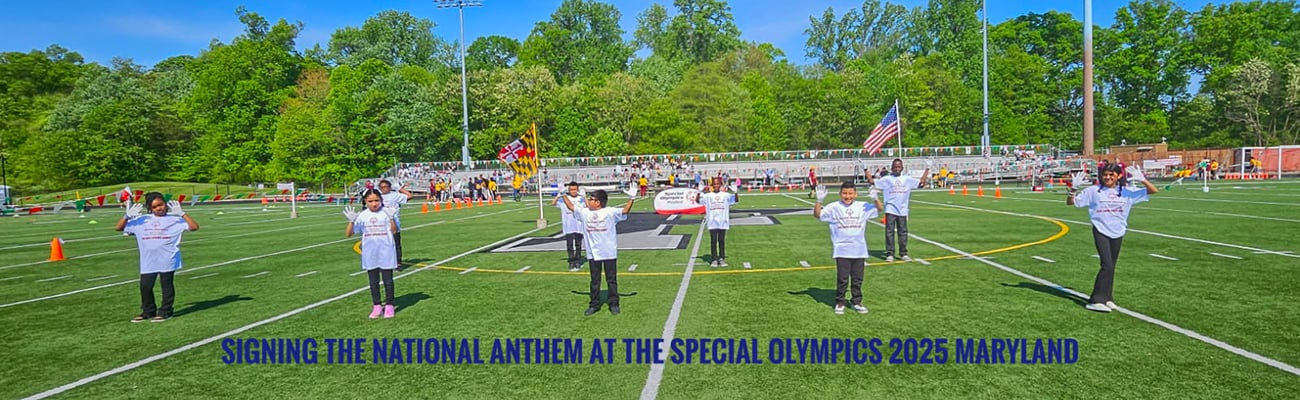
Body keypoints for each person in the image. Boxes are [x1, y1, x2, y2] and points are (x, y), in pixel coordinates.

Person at [1066, 161, 1158, 313]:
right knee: (1106, 265)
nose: (1107, 177)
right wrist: (1073, 189)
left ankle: (1107, 297)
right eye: (1105, 175)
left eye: (1111, 175)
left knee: (1112, 266)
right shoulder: (1093, 191)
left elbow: (1153, 191)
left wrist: (1143, 179)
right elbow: (1071, 203)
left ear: (1119, 176)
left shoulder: (1126, 191)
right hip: (1101, 230)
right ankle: (1096, 300)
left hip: (1119, 231)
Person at [116, 192, 199, 322]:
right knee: (145, 286)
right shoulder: (142, 220)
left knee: (166, 285)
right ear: (150, 208)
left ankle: (166, 311)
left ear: (165, 204)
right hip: (148, 260)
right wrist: (127, 216)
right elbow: (118, 228)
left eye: (161, 205)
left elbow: (194, 227)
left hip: (167, 258)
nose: (159, 208)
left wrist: (182, 214)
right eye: (155, 207)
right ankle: (148, 311)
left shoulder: (175, 219)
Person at [560, 189, 635, 316]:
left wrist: (632, 198)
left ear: (598, 202)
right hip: (593, 253)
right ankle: (594, 304)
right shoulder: (585, 213)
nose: (588, 201)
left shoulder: (609, 212)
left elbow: (625, 211)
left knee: (611, 279)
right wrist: (563, 194)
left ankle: (614, 303)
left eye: (591, 199)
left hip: (609, 251)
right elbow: (571, 207)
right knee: (595, 280)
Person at [813, 182, 883, 314]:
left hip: (859, 249)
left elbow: (879, 209)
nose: (848, 196)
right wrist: (819, 201)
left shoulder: (862, 206)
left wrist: (875, 198)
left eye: (850, 193)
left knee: (857, 278)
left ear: (855, 194)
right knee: (843, 278)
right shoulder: (834, 207)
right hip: (842, 249)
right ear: (840, 194)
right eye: (845, 193)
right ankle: (840, 302)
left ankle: (857, 301)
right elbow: (817, 215)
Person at [345, 189, 400, 319]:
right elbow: (348, 234)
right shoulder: (363, 215)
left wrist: (392, 218)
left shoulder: (387, 213)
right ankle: (376, 305)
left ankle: (389, 305)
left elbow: (394, 231)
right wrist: (351, 221)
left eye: (377, 200)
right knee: (373, 281)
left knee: (388, 281)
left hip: (386, 251)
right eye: (370, 201)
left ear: (381, 200)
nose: (374, 204)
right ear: (365, 201)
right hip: (370, 253)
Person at [866, 159, 930, 262]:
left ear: (902, 168)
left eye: (899, 167)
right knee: (889, 232)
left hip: (903, 210)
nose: (897, 169)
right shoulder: (887, 179)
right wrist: (865, 169)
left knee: (903, 232)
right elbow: (871, 181)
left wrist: (927, 168)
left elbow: (921, 183)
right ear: (891, 168)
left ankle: (903, 253)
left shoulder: (907, 179)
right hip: (891, 209)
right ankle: (890, 254)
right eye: (895, 167)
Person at [697, 177, 738, 267]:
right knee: (713, 241)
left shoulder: (725, 195)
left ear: (720, 185)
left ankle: (721, 258)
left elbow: (735, 200)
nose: (716, 185)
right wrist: (699, 192)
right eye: (714, 184)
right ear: (712, 185)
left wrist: (735, 192)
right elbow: (698, 201)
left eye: (718, 184)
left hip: (723, 221)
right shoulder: (708, 196)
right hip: (712, 222)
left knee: (721, 240)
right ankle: (714, 259)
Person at [552, 181, 587, 272]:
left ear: (577, 189)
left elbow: (588, 206)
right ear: (568, 190)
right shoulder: (564, 198)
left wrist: (584, 197)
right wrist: (558, 195)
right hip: (568, 225)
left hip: (579, 225)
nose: (573, 191)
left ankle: (578, 260)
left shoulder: (580, 198)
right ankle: (571, 261)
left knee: (578, 244)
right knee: (569, 245)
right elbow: (553, 203)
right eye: (571, 189)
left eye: (575, 189)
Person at [377, 179, 412, 265]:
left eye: (385, 187)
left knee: (395, 243)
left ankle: (398, 262)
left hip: (393, 222)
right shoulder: (377, 196)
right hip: (382, 223)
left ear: (389, 188)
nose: (383, 189)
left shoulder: (394, 195)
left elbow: (409, 196)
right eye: (381, 187)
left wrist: (400, 188)